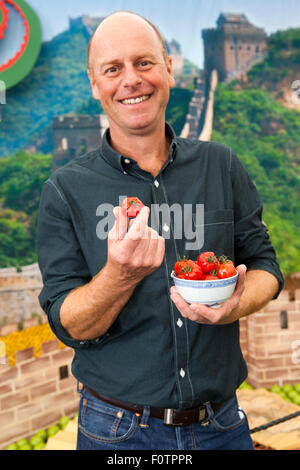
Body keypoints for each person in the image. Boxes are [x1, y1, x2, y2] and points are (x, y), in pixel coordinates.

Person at [37, 11, 284, 451]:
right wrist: (119, 276)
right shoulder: (64, 191)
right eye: (113, 69)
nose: (131, 80)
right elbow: (67, 323)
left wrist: (234, 306)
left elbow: (265, 266)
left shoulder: (221, 165)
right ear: (95, 85)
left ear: (169, 68)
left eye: (144, 62)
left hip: (222, 424)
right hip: (117, 433)